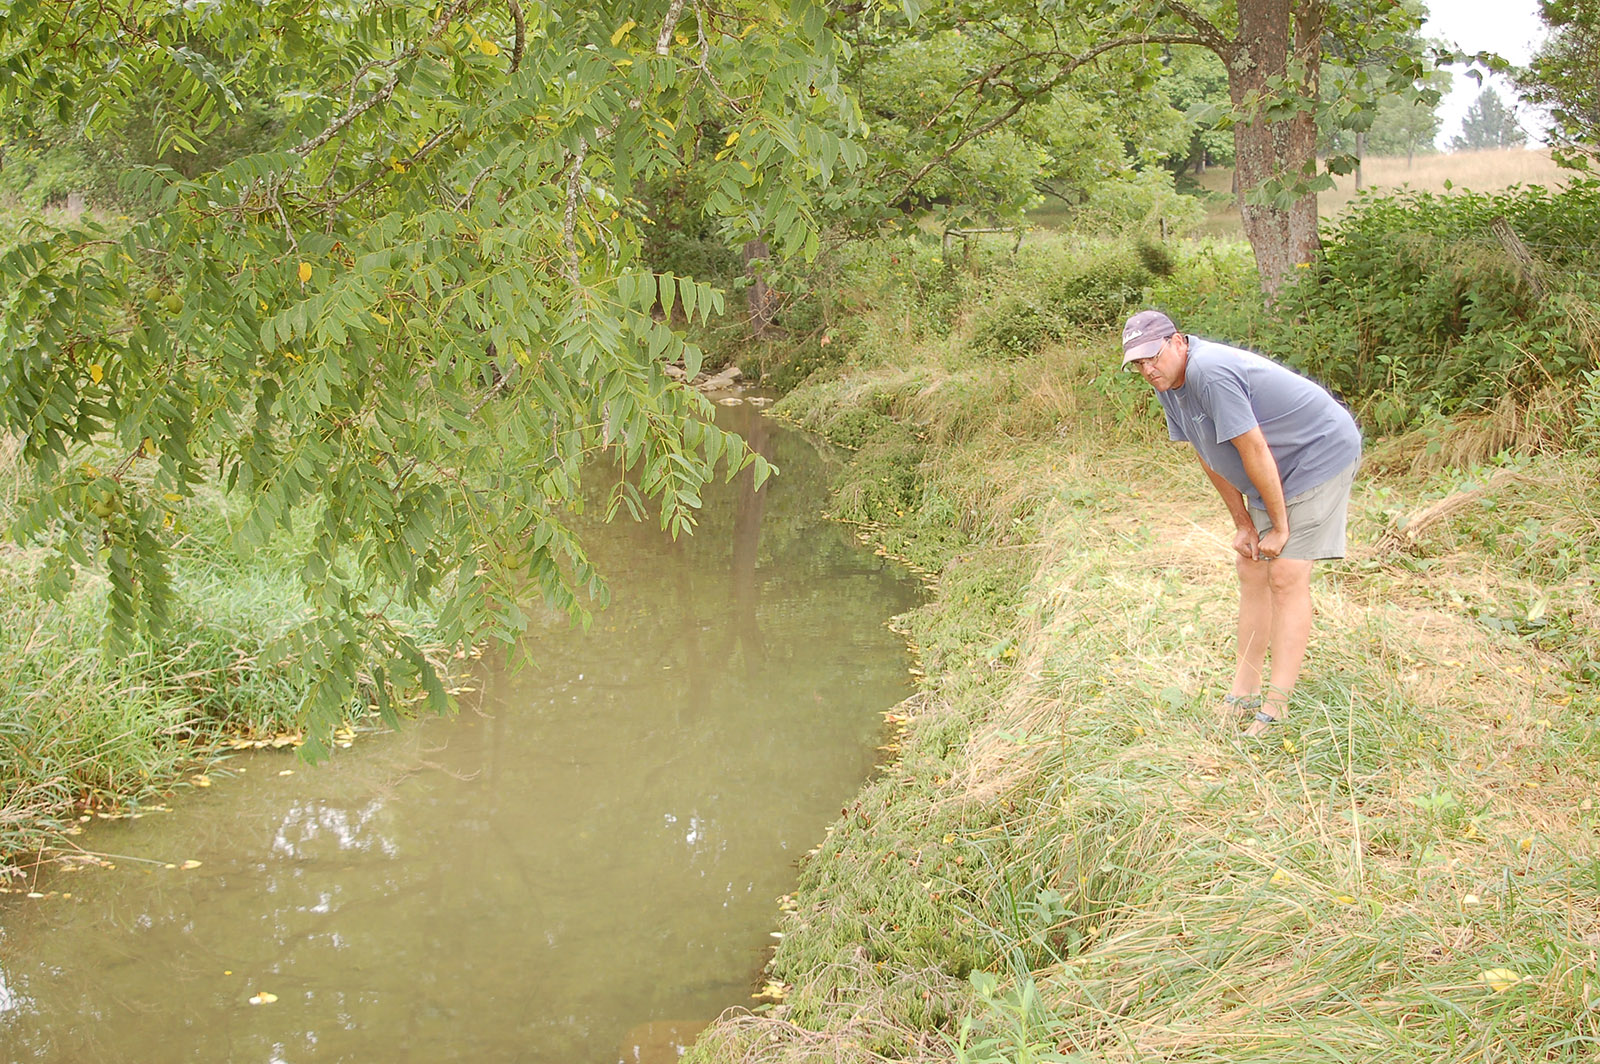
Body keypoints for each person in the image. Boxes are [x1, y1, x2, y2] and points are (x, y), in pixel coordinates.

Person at [1120, 310, 1361, 737]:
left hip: (1316, 452)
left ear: (1177, 341)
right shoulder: (1167, 384)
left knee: (1286, 573)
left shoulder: (1210, 373)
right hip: (1273, 464)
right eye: (1137, 364)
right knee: (1251, 565)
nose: (1147, 370)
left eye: (1152, 357)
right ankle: (1243, 691)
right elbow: (1208, 453)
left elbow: (1251, 446)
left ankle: (1277, 706)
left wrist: (1280, 527)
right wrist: (1244, 523)